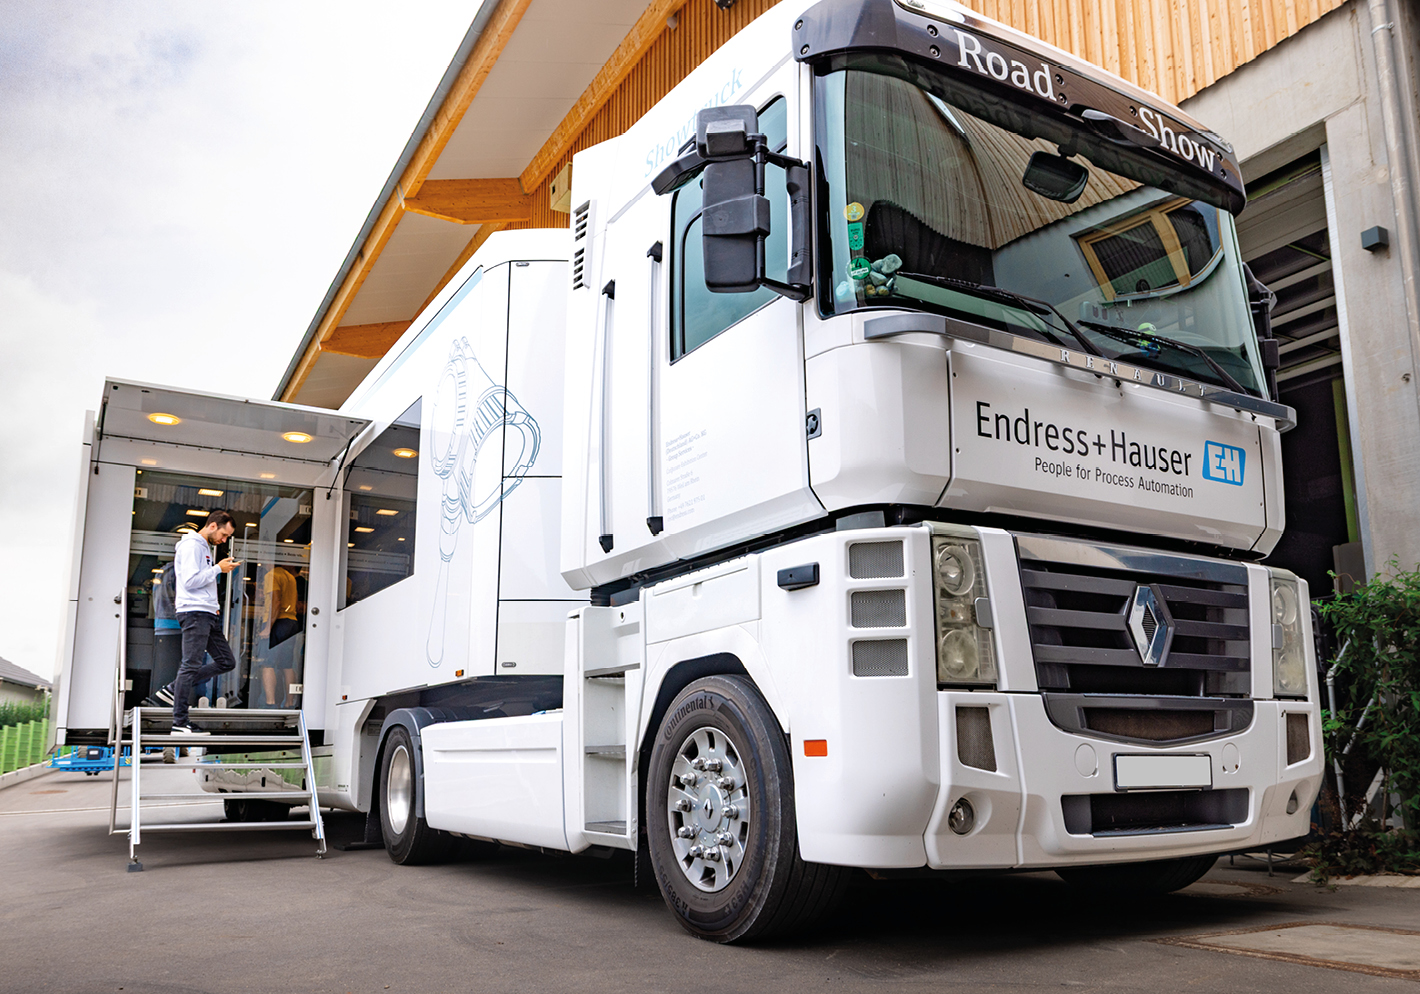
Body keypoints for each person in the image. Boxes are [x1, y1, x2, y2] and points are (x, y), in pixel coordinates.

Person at [167, 510, 241, 734]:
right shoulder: (192, 545)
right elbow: (190, 581)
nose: (224, 540)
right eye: (224, 535)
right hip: (195, 612)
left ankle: (175, 687)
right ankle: (179, 723)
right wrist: (218, 568)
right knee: (190, 665)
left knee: (226, 662)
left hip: (207, 613)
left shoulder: (203, 547)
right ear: (212, 526)